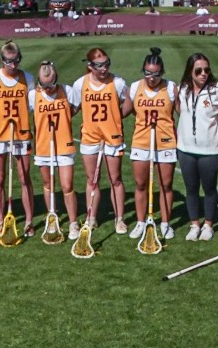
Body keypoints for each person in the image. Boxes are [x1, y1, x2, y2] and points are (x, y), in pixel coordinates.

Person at [72, 47, 130, 235]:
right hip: (90, 137)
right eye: (99, 66)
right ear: (90, 66)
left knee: (115, 179)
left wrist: (117, 117)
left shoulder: (118, 82)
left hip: (112, 137)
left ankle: (119, 218)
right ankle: (91, 217)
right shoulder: (80, 84)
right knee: (92, 179)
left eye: (106, 64)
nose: (104, 69)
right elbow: (74, 108)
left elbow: (129, 101)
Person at [174, 51, 218, 242]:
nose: (203, 74)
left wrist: (212, 122)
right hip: (186, 148)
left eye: (206, 70)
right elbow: (180, 110)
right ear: (190, 72)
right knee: (191, 188)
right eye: (198, 71)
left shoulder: (216, 89)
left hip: (210, 149)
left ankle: (209, 225)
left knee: (210, 188)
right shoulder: (182, 89)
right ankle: (194, 224)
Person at [127, 48, 179, 239]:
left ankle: (165, 223)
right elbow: (125, 111)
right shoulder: (135, 88)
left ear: (161, 72)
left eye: (156, 74)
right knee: (141, 184)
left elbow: (181, 111)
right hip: (141, 141)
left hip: (165, 141)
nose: (151, 78)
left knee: (166, 184)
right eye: (148, 73)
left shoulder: (171, 88)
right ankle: (141, 222)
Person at [0, 41, 37, 237]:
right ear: (2, 60)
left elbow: (32, 104)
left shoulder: (27, 78)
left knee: (24, 177)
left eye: (16, 61)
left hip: (21, 133)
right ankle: (0, 220)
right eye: (9, 62)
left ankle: (29, 221)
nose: (13, 65)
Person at [32, 60, 83, 239]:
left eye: (51, 84)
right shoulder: (33, 96)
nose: (47, 88)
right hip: (43, 146)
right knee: (48, 184)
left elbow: (76, 108)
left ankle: (73, 223)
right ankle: (52, 216)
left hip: (64, 145)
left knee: (67, 186)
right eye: (43, 85)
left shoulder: (67, 91)